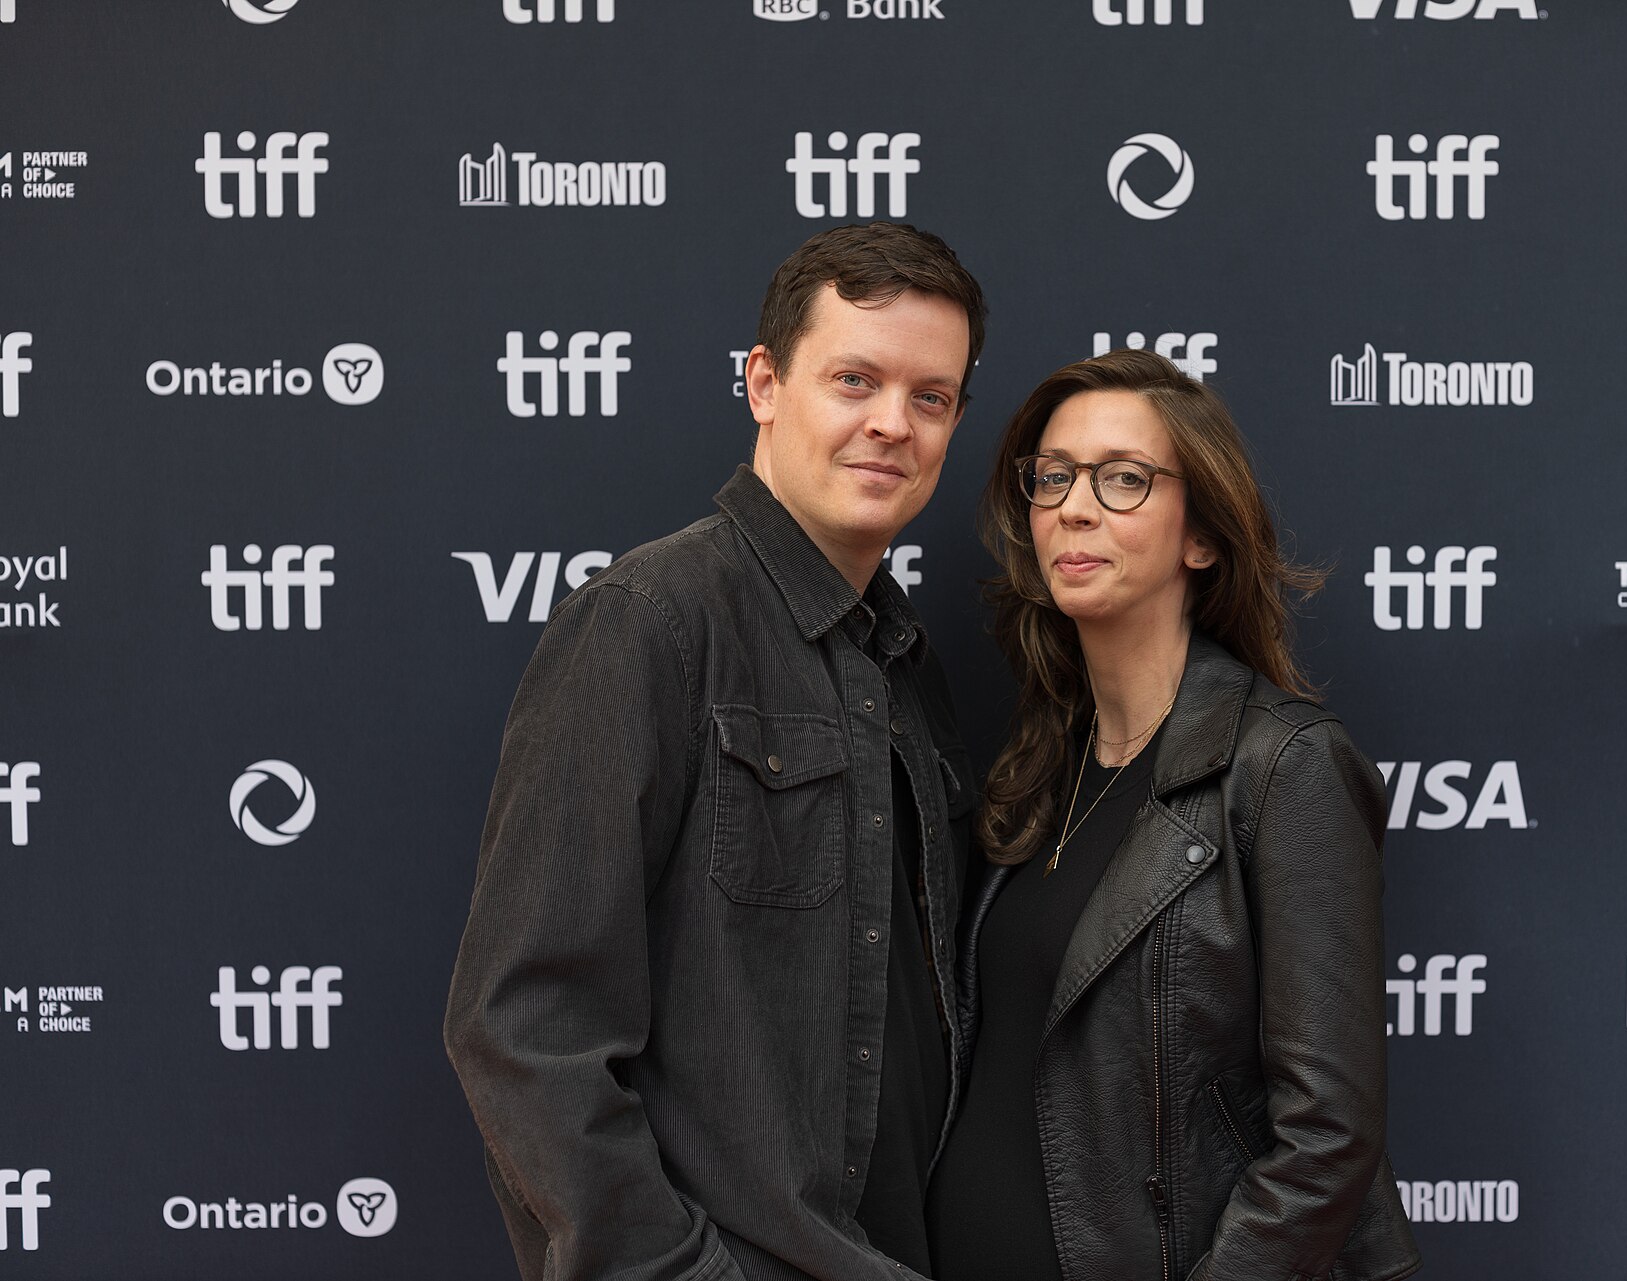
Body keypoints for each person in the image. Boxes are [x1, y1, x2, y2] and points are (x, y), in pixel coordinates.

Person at [444, 222, 988, 1281]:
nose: (892, 424)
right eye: (855, 379)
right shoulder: (650, 622)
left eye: (931, 397)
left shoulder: (910, 666)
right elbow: (521, 1029)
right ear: (765, 385)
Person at [928, 350, 1420, 1281]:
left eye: (1124, 480)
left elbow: (1328, 1138)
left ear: (1201, 536)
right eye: (1055, 477)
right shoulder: (1039, 764)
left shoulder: (1283, 765)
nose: (1075, 506)